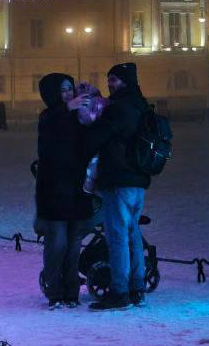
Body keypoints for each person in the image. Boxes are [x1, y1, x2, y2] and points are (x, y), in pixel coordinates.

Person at [84, 62, 151, 310]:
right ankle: (137, 288)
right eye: (108, 78)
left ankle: (120, 291)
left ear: (125, 81)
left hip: (118, 179)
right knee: (132, 233)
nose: (109, 83)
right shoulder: (140, 104)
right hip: (138, 180)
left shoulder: (118, 108)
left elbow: (96, 136)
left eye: (114, 79)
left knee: (117, 235)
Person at [33, 74, 96, 308]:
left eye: (70, 89)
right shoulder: (48, 117)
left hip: (77, 189)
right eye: (63, 90)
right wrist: (67, 108)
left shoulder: (79, 117)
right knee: (57, 243)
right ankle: (54, 290)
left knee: (73, 245)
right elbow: (50, 134)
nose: (68, 94)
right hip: (54, 191)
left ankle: (71, 291)